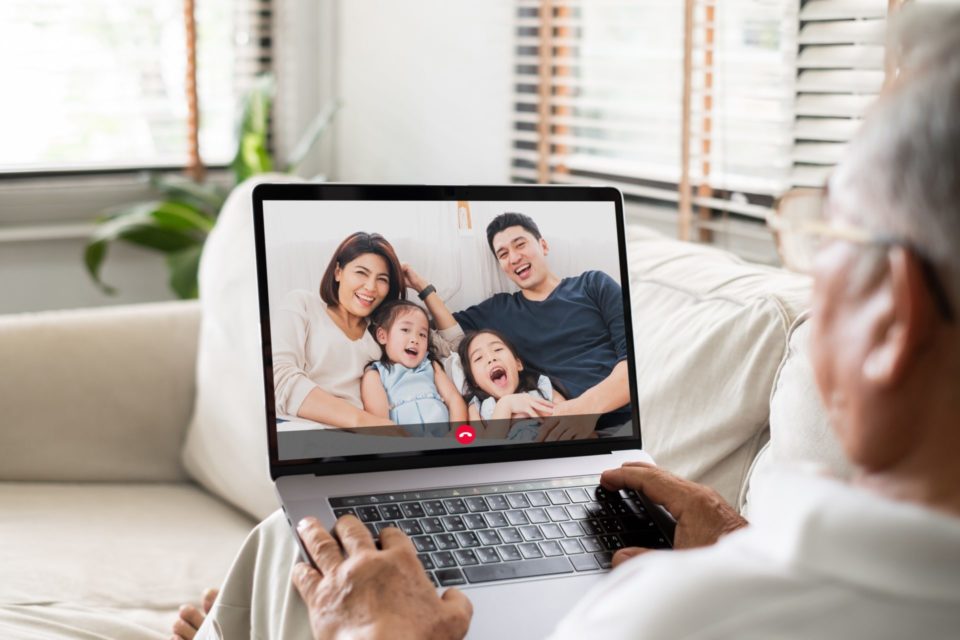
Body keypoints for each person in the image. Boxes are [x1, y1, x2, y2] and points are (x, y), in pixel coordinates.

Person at [177, 13, 960, 640]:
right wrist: (739, 539)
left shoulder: (676, 612)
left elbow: (549, 367)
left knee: (305, 547)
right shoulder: (438, 327)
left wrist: (380, 634)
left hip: (562, 446)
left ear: (894, 317)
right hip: (550, 465)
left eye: (828, 241)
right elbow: (447, 341)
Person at [405, 212, 630, 441]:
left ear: (543, 245)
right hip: (564, 434)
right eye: (503, 254)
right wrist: (422, 288)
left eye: (520, 245)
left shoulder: (593, 285)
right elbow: (445, 333)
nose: (513, 258)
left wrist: (585, 409)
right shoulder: (499, 310)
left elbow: (633, 359)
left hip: (626, 418)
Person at [270, 231, 462, 436]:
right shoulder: (303, 304)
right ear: (338, 272)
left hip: (366, 439)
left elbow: (455, 348)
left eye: (382, 279)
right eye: (361, 273)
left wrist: (422, 287)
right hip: (306, 429)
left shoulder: (387, 329)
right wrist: (365, 421)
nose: (370, 287)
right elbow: (278, 377)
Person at [361, 300, 468, 436]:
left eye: (422, 334)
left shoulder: (431, 366)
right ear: (383, 336)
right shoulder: (376, 374)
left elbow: (454, 399)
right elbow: (379, 421)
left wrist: (456, 432)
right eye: (405, 330)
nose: (415, 339)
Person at [457, 329, 567, 441]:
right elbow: (483, 451)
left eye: (497, 349)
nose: (491, 358)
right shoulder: (477, 408)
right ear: (474, 381)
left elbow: (571, 417)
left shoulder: (541, 386)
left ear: (518, 364)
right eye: (478, 358)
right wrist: (506, 405)